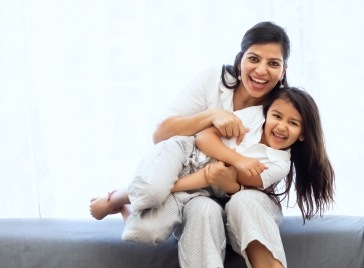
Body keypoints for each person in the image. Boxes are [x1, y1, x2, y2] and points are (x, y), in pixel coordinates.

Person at [92, 21, 335, 268]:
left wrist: (223, 177)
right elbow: (164, 135)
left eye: (273, 63)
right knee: (196, 212)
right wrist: (211, 116)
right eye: (253, 58)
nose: (262, 70)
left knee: (243, 201)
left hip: (241, 196)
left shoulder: (278, 107)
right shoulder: (225, 89)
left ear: (283, 70)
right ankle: (118, 200)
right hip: (197, 188)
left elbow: (232, 180)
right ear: (240, 59)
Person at [90, 86, 304, 221]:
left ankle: (124, 207)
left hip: (200, 186)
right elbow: (202, 139)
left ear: (303, 134)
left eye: (293, 123)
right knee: (154, 191)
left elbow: (216, 175)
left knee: (142, 233)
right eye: (277, 116)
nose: (282, 126)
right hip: (185, 151)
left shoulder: (280, 165)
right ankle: (114, 199)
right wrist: (239, 159)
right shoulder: (255, 116)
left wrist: (171, 187)